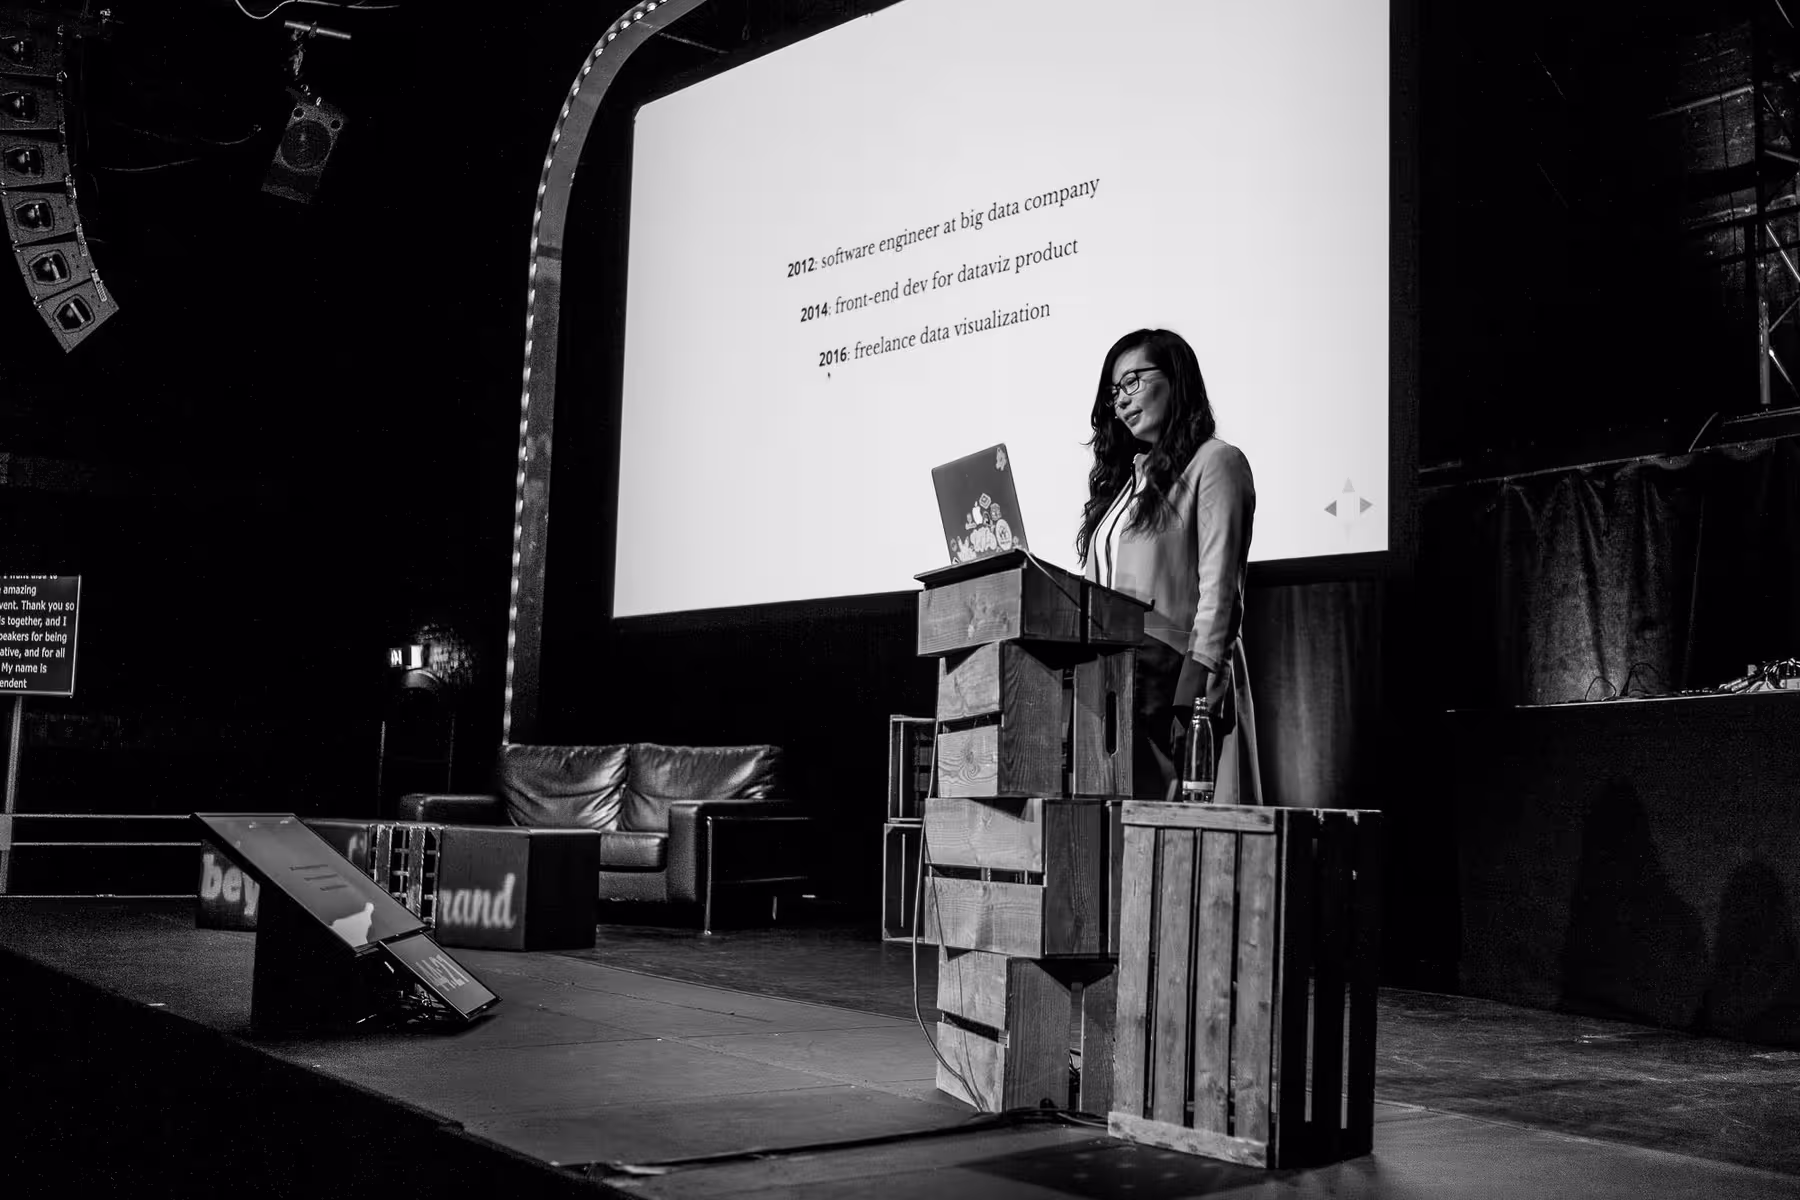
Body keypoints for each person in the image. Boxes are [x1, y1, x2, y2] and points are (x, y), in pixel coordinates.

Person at [1077, 328, 1262, 805]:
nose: (1120, 401)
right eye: (1114, 392)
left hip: (1177, 692)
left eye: (1133, 381)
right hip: (1118, 693)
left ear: (1175, 379)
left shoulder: (1215, 463)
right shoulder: (1126, 488)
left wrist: (1192, 702)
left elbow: (1220, 592)